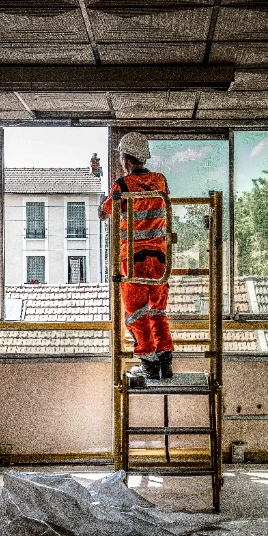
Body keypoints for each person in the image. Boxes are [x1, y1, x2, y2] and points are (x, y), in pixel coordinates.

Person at [100, 132, 173, 380]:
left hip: (134, 261)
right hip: (161, 260)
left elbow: (105, 213)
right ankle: (165, 359)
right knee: (157, 310)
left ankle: (149, 363)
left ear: (126, 159)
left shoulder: (122, 185)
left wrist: (105, 203)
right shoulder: (160, 181)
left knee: (136, 312)